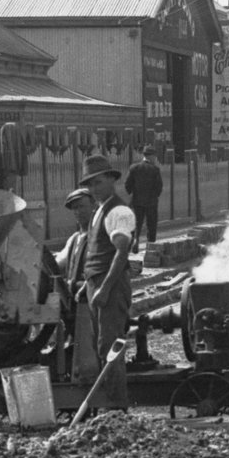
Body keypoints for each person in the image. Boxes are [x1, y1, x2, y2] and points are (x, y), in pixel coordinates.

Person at [78, 155, 135, 411]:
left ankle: (116, 408)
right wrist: (87, 283)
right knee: (100, 345)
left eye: (98, 183)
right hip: (97, 283)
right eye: (89, 185)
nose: (93, 189)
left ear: (112, 180)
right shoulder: (98, 210)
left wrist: (104, 287)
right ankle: (109, 403)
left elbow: (121, 252)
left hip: (109, 285)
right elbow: (96, 251)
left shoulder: (119, 211)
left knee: (110, 345)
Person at [56, 185, 101, 382]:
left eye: (82, 206)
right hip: (75, 303)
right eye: (74, 208)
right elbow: (59, 263)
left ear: (93, 206)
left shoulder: (99, 237)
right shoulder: (74, 239)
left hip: (92, 302)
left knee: (93, 349)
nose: (78, 212)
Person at [124, 150, 163, 245]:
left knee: (136, 223)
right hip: (151, 202)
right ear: (151, 156)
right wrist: (154, 196)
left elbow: (127, 184)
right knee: (151, 224)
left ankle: (135, 239)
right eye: (154, 157)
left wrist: (132, 193)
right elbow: (159, 186)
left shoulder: (134, 168)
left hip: (137, 200)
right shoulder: (155, 169)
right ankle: (151, 244)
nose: (155, 159)